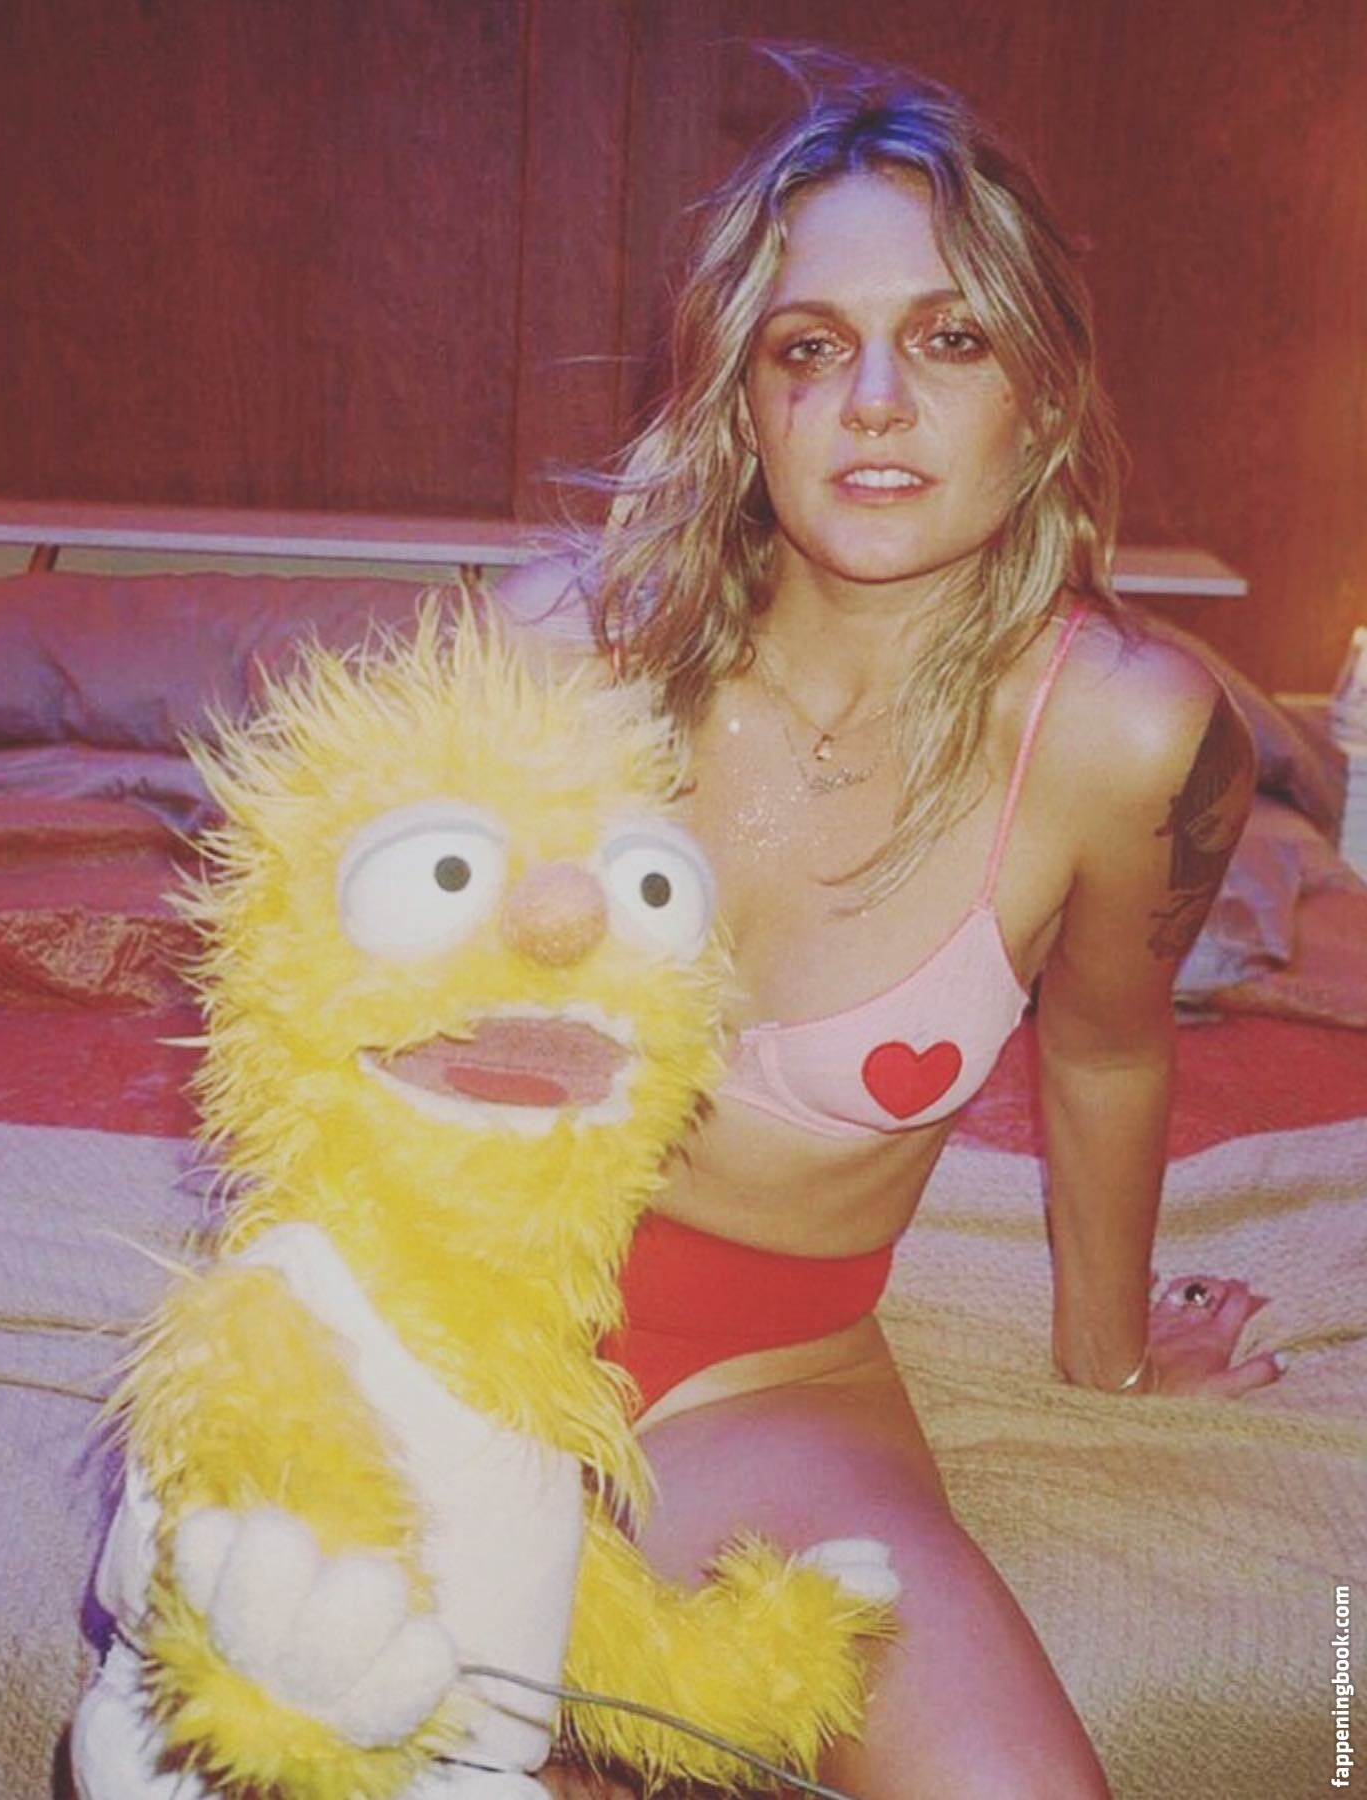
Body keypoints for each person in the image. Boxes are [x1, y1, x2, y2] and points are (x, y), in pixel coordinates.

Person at [495, 55, 1280, 1800]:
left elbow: (1106, 1054)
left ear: (1043, 395)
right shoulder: (557, 647)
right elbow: (337, 1019)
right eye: (808, 347)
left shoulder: (1132, 736)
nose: (870, 401)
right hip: (449, 1330)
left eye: (948, 338)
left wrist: (1110, 1357)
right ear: (744, 402)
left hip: (757, 1385)